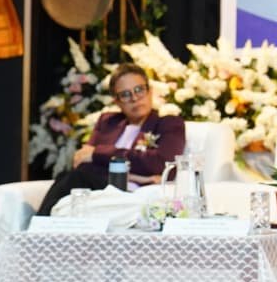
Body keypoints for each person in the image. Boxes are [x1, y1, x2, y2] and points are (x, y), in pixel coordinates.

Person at [36, 63, 185, 216]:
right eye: (125, 94)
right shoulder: (108, 122)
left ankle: (37, 225)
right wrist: (138, 176)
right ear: (117, 101)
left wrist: (97, 154)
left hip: (130, 195)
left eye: (139, 90)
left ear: (150, 91)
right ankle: (41, 226)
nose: (134, 98)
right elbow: (82, 163)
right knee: (68, 177)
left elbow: (163, 164)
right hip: (98, 188)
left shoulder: (169, 124)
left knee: (75, 179)